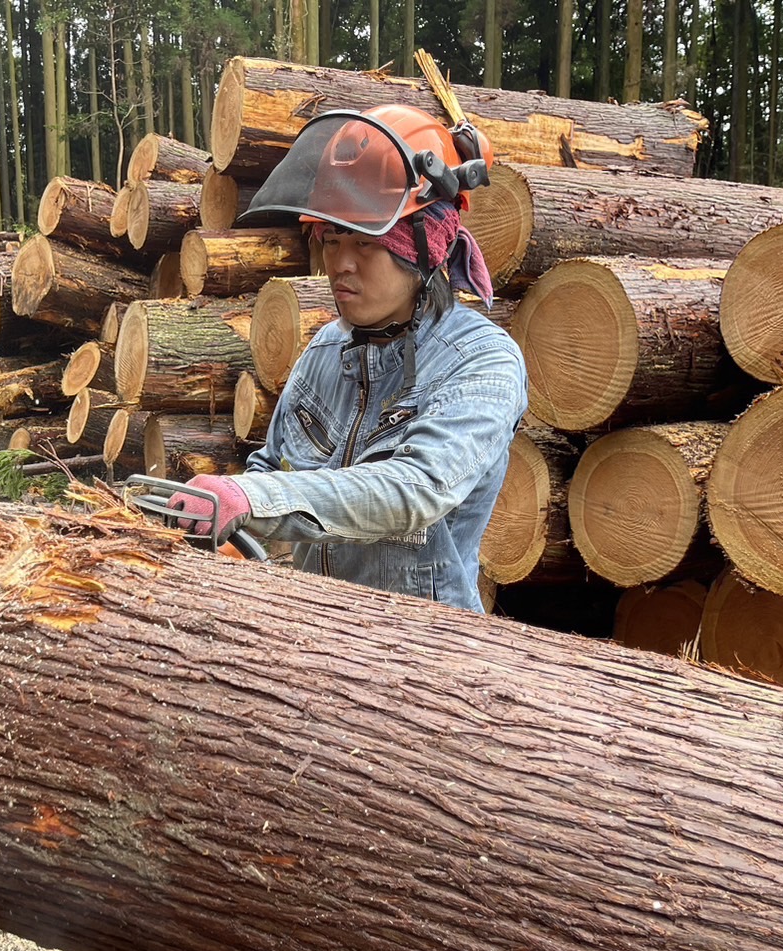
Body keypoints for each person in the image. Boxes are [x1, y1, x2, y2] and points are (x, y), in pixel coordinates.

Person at [167, 104, 527, 614]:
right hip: (321, 631)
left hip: (431, 647)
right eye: (332, 241)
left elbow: (416, 490)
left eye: (365, 243)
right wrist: (235, 525)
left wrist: (256, 501)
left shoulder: (483, 362)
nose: (341, 264)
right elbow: (273, 465)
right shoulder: (326, 350)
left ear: (426, 245)